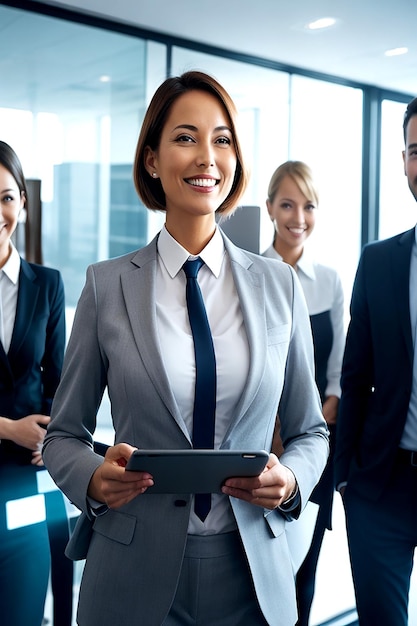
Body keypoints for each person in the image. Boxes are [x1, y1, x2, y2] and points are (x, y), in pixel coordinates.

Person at [43, 70, 329, 626]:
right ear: (152, 159)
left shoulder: (279, 287)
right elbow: (63, 435)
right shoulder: (107, 287)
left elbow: (310, 431)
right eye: (185, 137)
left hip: (252, 575)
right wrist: (93, 479)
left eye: (221, 139)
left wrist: (291, 481)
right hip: (131, 570)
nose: (206, 157)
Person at [334, 95, 417, 626]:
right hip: (383, 487)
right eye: (415, 149)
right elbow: (355, 373)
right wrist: (346, 479)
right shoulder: (379, 260)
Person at [263, 160, 344, 625]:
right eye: (288, 204)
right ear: (270, 207)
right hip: (259, 445)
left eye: (308, 206)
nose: (298, 217)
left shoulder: (330, 280)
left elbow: (336, 373)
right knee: (259, 569)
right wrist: (273, 431)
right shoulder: (251, 272)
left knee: (303, 571)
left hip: (315, 447)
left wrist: (312, 427)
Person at [0, 141, 67, 626]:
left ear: (22, 202)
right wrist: (10, 428)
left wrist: (53, 435)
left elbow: (61, 380)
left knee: (23, 607)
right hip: (12, 444)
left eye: (6, 196)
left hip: (26, 475)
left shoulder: (47, 284)